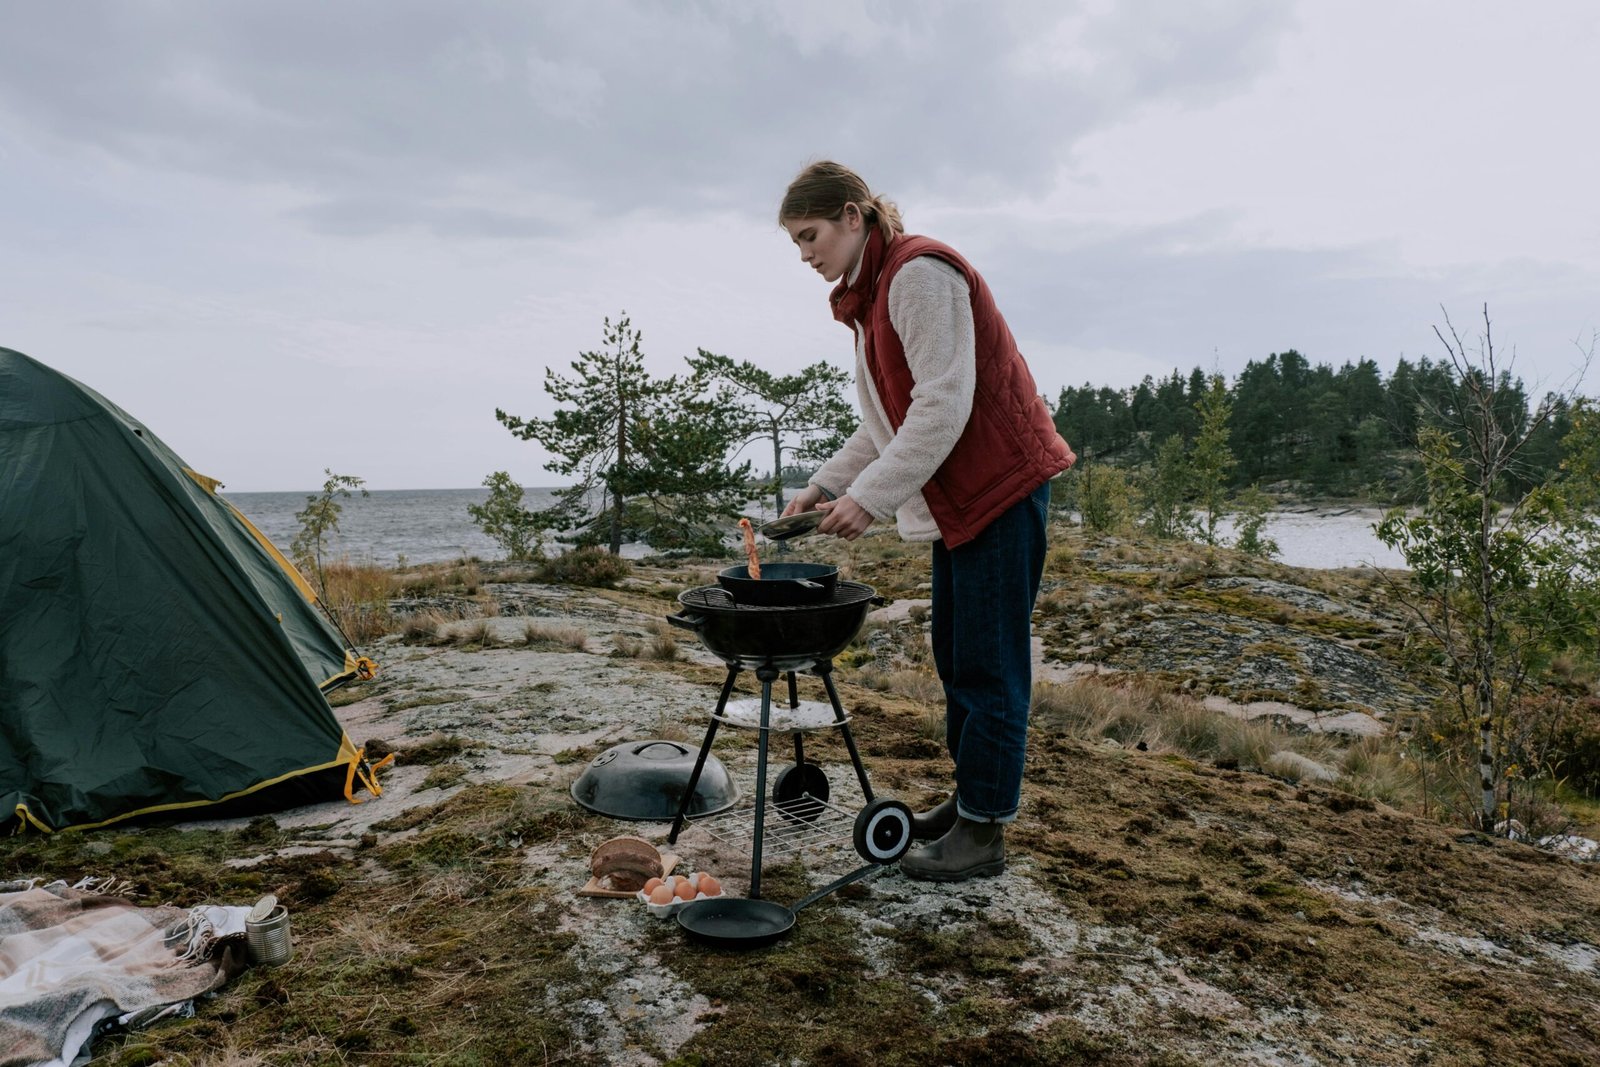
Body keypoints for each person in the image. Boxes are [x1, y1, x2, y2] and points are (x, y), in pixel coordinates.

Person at [777, 160, 1075, 883]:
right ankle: (974, 799)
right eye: (796, 244)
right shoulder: (873, 293)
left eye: (811, 235)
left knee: (990, 665)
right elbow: (889, 420)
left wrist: (870, 498)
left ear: (855, 216)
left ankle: (984, 832)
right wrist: (824, 484)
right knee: (958, 654)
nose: (807, 254)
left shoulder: (916, 276)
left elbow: (944, 403)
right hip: (963, 503)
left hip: (999, 490)